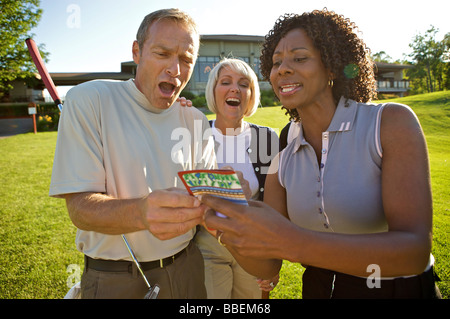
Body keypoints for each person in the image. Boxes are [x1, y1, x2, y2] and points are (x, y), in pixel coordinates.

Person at [200, 9, 441, 299]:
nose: (283, 69)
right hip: (318, 289)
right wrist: (226, 223)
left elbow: (413, 252)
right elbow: (267, 266)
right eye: (276, 63)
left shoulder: (390, 122)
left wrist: (294, 242)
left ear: (331, 66)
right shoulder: (285, 142)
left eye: (299, 58)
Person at [49, 8, 216, 299]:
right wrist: (141, 212)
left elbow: (207, 193)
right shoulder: (90, 100)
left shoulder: (196, 120)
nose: (175, 70)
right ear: (137, 52)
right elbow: (79, 209)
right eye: (163, 53)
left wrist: (226, 193)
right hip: (114, 276)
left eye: (186, 59)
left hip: (187, 267)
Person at [193, 58, 280, 298]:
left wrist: (272, 261)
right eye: (226, 82)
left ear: (251, 94)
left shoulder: (268, 138)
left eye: (244, 84)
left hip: (251, 244)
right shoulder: (194, 134)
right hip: (206, 244)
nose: (235, 89)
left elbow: (273, 206)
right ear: (213, 90)